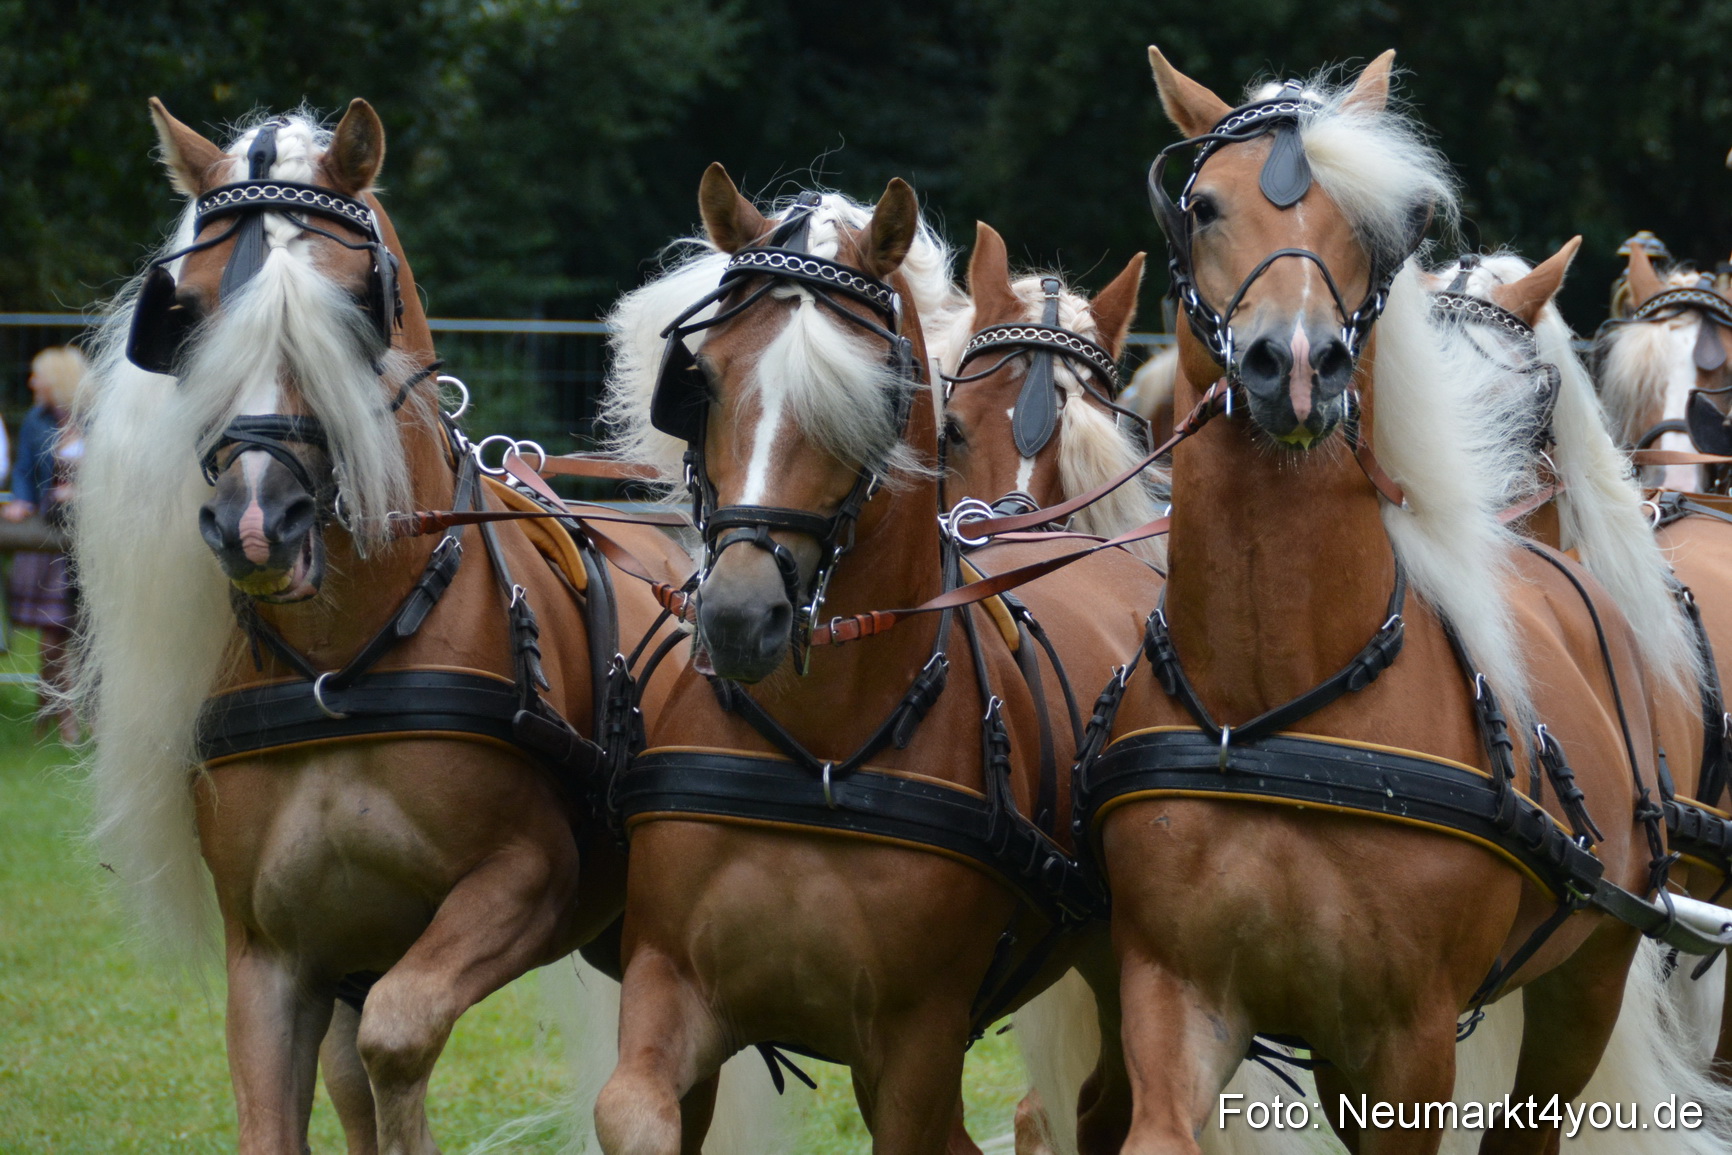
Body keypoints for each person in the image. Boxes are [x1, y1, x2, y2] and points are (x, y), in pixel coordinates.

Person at [4, 346, 86, 742]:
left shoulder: (95, 420)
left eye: (39, 376)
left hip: (85, 541)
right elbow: (23, 469)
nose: (32, 383)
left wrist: (82, 491)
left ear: (58, 381)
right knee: (53, 634)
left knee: (78, 634)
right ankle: (57, 713)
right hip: (48, 537)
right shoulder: (37, 422)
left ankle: (59, 711)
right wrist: (21, 499)